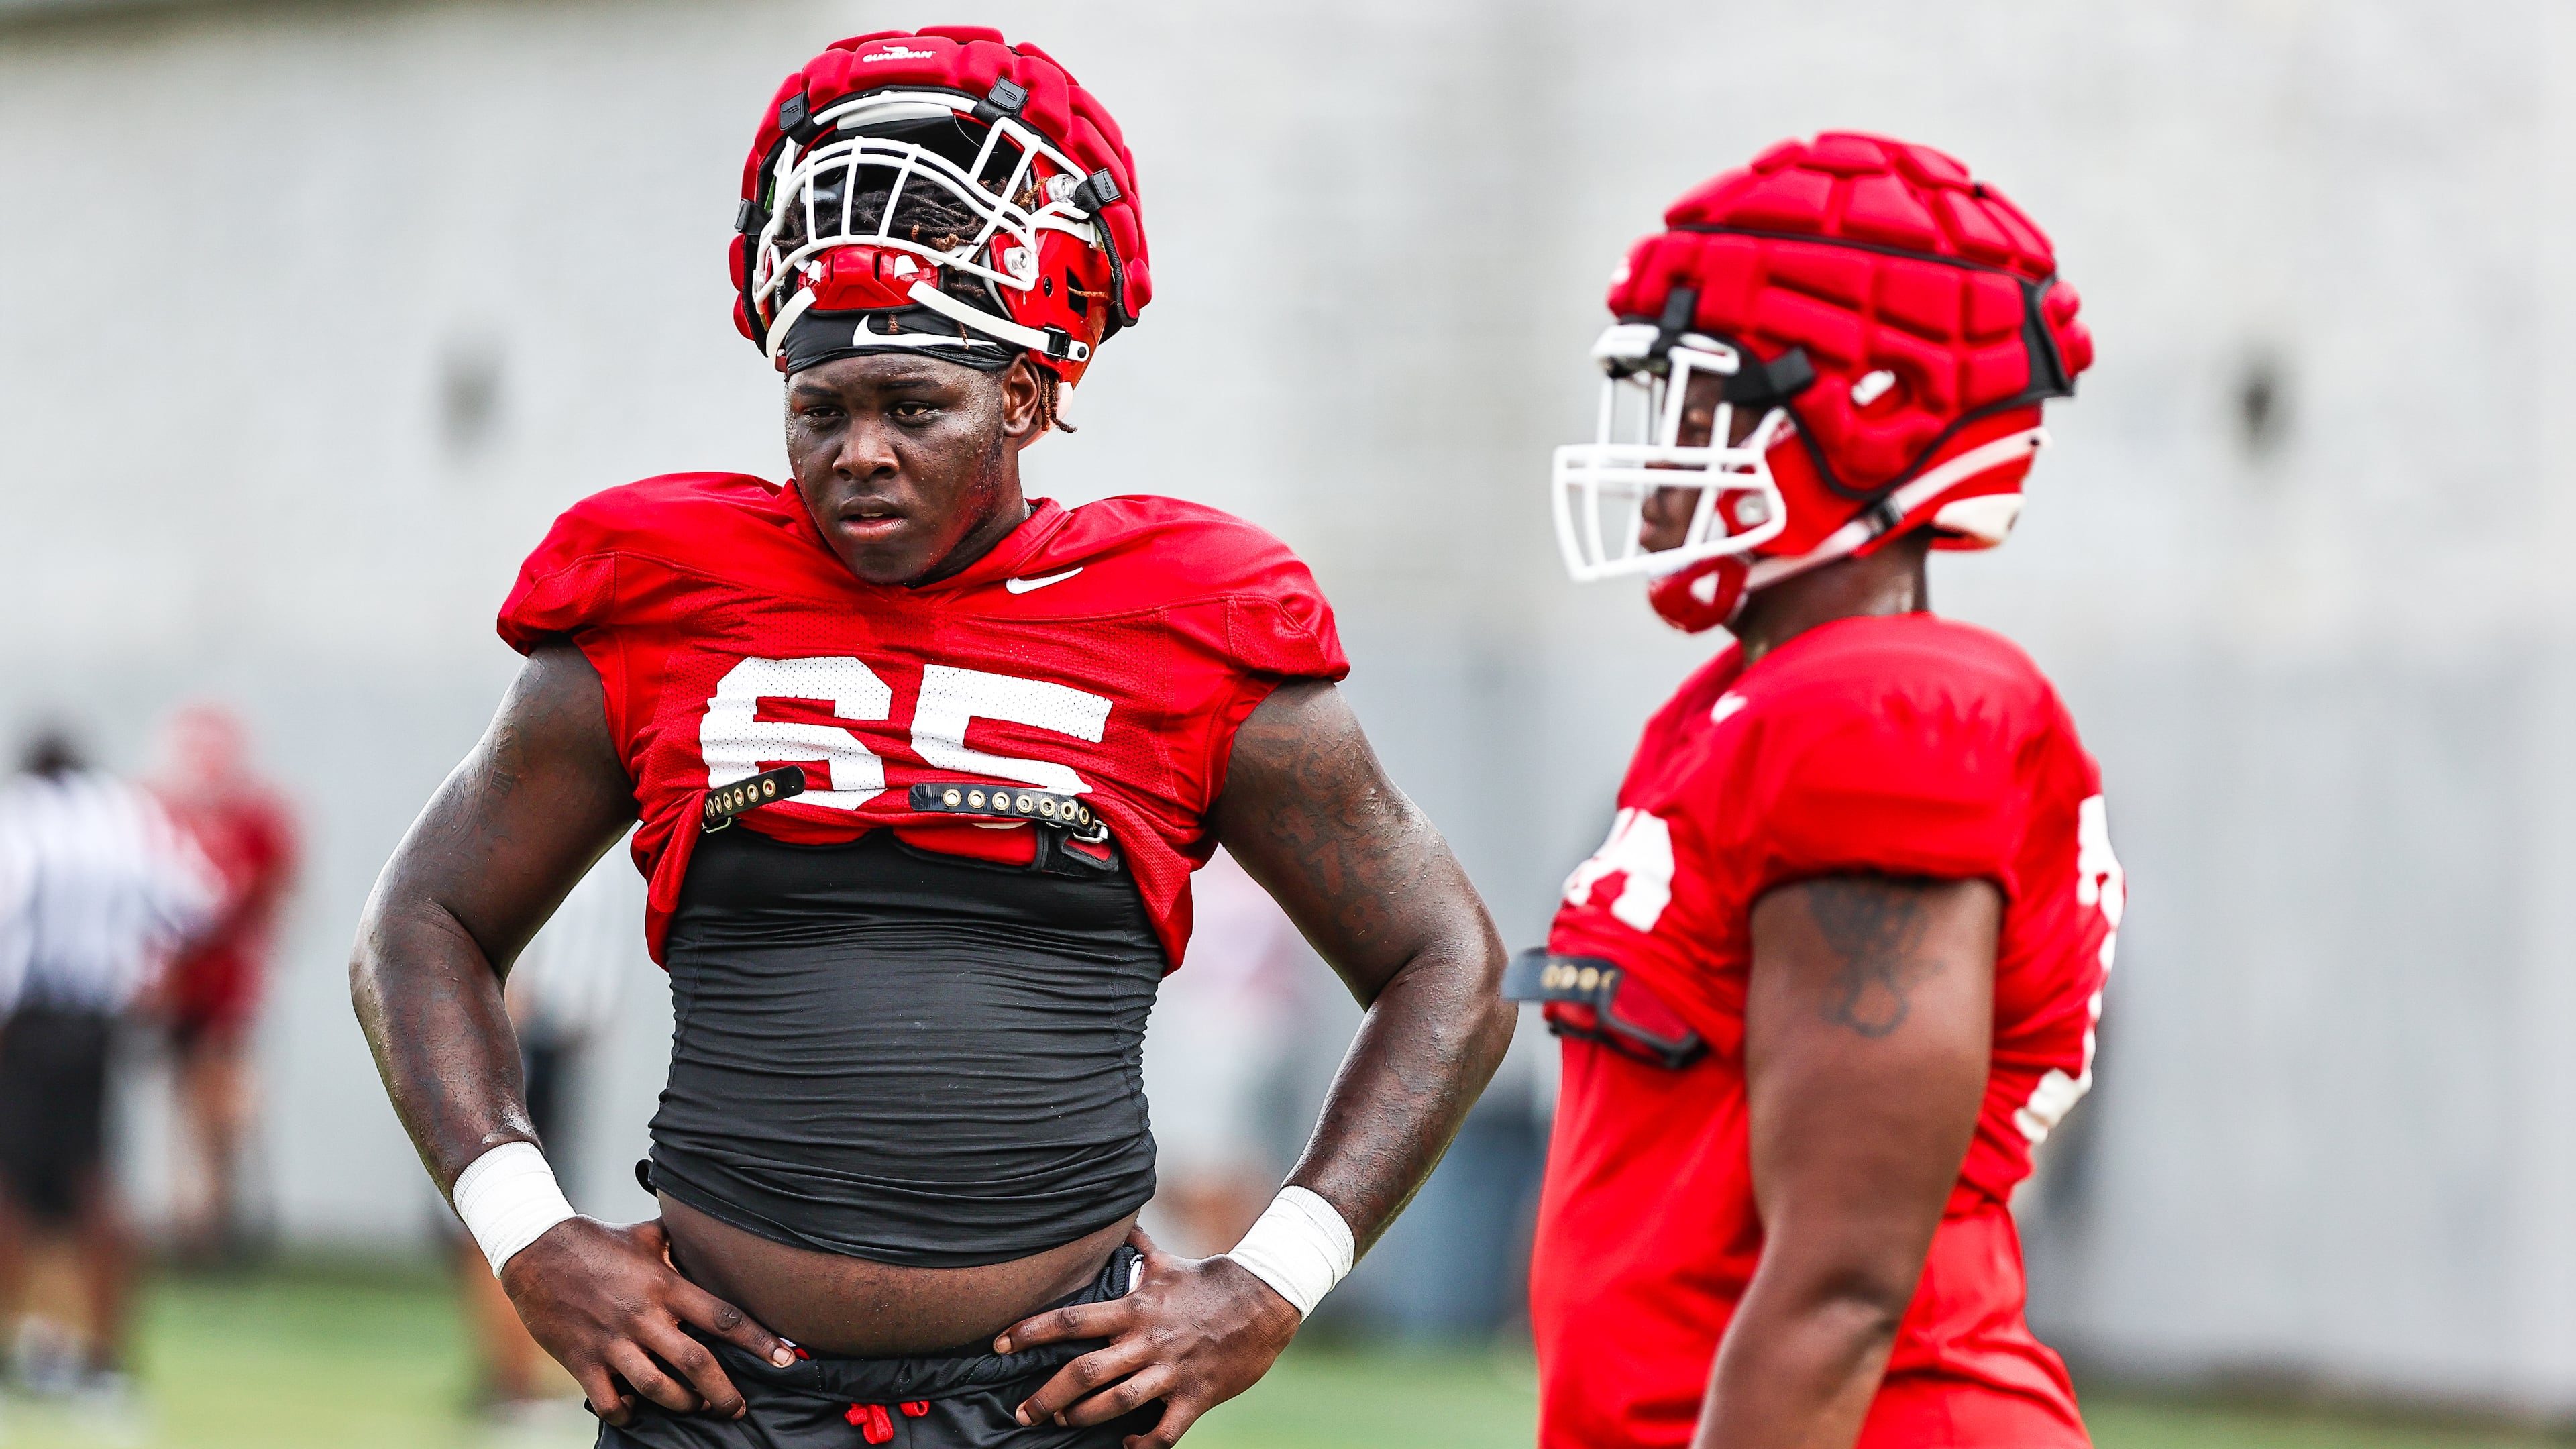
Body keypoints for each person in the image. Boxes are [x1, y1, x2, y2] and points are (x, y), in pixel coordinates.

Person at [348, 28, 1516, 1449]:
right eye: (820, 409)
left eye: (914, 407)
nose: (859, 452)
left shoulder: (1186, 615)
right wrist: (528, 1232)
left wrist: (1274, 1280)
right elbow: (420, 923)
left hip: (1050, 1403)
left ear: (1024, 400)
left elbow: (1447, 963)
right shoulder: (668, 589)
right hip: (715, 1397)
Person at [1515, 133, 2116, 1448]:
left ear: (1870, 411)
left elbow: (1842, 1288)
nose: (1666, 450)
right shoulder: (1746, 699)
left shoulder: (1876, 716)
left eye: (1704, 401)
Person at [0, 730, 217, 1404]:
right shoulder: (123, 815)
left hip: (27, 1019)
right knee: (94, 1181)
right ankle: (102, 1356)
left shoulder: (21, 816)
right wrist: (153, 976)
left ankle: (18, 1344)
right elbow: (199, 900)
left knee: (11, 1187)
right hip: (96, 1022)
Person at [461, 848, 645, 1420]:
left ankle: (528, 1372)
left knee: (554, 1204)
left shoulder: (608, 835)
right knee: (508, 1199)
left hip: (562, 1041)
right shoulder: (550, 817)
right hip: (528, 1036)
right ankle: (510, 1375)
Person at [145, 702, 299, 1266]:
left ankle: (214, 1218)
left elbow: (276, 897)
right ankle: (201, 1220)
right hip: (186, 988)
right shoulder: (164, 815)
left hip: (227, 991)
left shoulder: (254, 821)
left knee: (222, 1104)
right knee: (191, 1104)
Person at [1137, 849, 1304, 1257]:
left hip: (1218, 1035)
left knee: (1209, 1175)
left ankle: (1223, 1285)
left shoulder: (1236, 873)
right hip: (1237, 1034)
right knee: (1212, 1173)